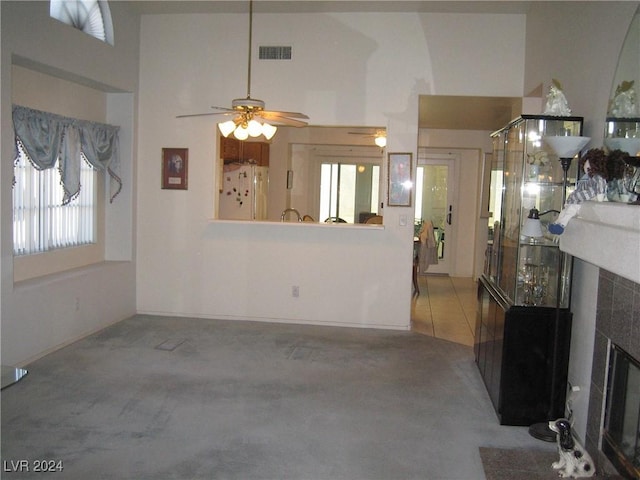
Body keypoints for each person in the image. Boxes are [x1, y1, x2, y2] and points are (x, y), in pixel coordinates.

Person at [548, 148, 608, 235]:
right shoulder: (587, 179)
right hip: (578, 199)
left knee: (570, 211)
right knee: (565, 211)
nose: (585, 168)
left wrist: (600, 197)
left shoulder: (598, 178)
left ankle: (561, 225)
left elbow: (601, 189)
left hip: (582, 201)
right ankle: (557, 223)